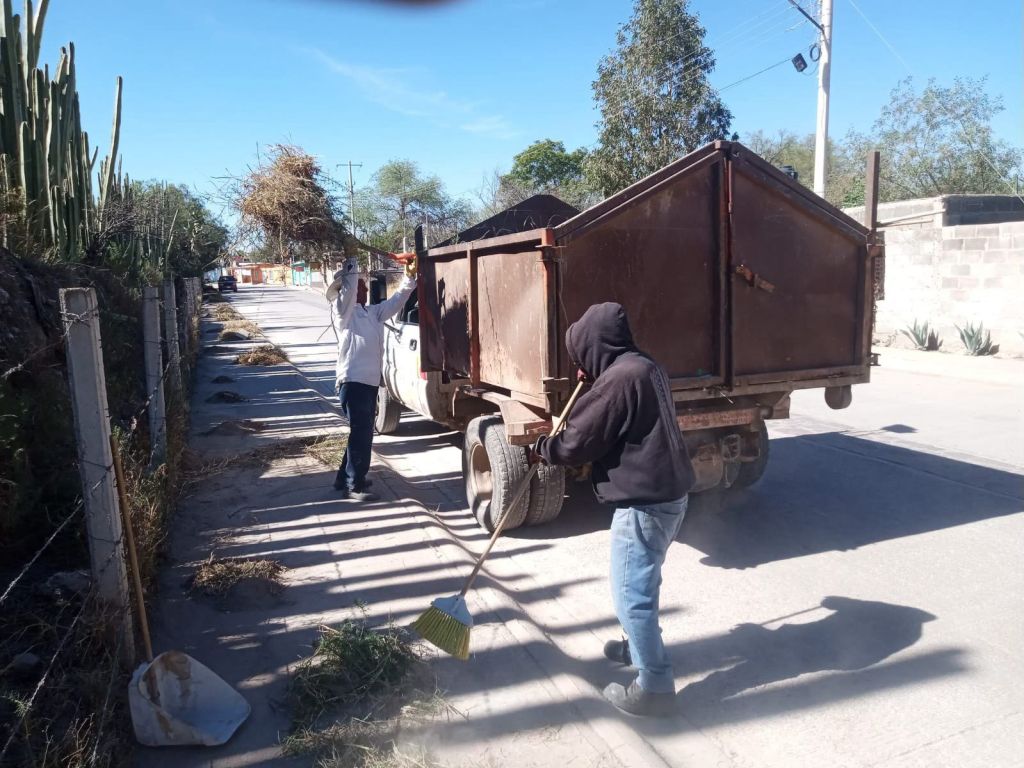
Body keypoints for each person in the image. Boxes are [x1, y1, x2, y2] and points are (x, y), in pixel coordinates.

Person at [533, 302, 695, 717]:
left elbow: (576, 443)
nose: (578, 364)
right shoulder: (643, 365)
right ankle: (634, 646)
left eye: (579, 353)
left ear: (594, 344)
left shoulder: (618, 381)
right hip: (670, 494)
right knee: (643, 580)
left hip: (644, 503)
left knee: (631, 595)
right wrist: (594, 382)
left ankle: (654, 688)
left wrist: (544, 448)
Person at [326, 253, 417, 501]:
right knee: (361, 432)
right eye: (360, 286)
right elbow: (350, 284)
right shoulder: (343, 313)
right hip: (352, 382)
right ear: (348, 289)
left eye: (365, 286)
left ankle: (343, 479)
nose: (364, 289)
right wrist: (352, 258)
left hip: (368, 383)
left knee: (361, 432)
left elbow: (398, 300)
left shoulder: (373, 313)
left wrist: (409, 276)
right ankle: (353, 485)